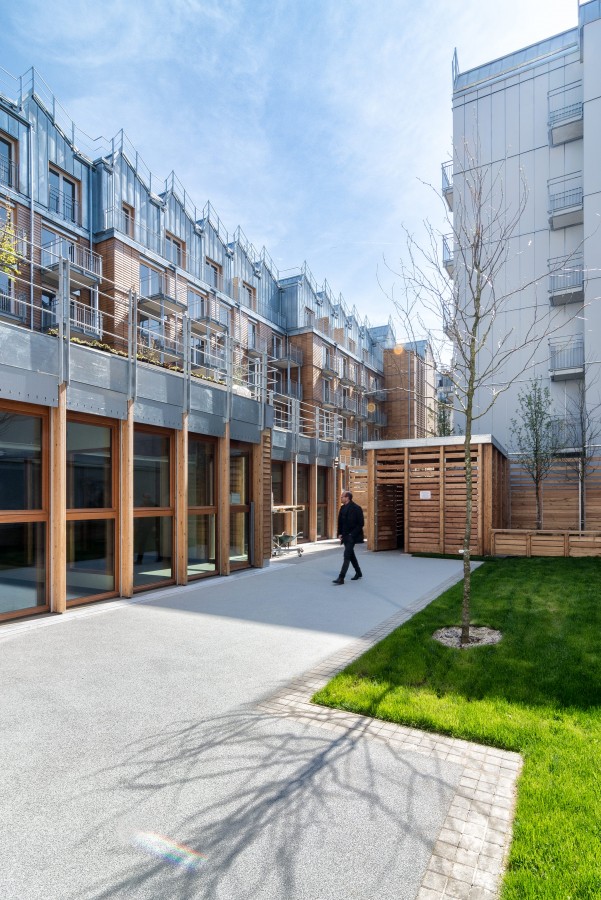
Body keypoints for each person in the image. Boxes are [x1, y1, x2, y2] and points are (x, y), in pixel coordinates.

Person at [333, 490, 364, 584]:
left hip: (353, 536)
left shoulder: (357, 508)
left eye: (342, 496)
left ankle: (341, 578)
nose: (341, 498)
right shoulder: (342, 508)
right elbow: (340, 522)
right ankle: (358, 572)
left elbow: (361, 524)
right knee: (351, 555)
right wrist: (340, 533)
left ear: (347, 498)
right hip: (345, 536)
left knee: (346, 555)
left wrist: (352, 535)